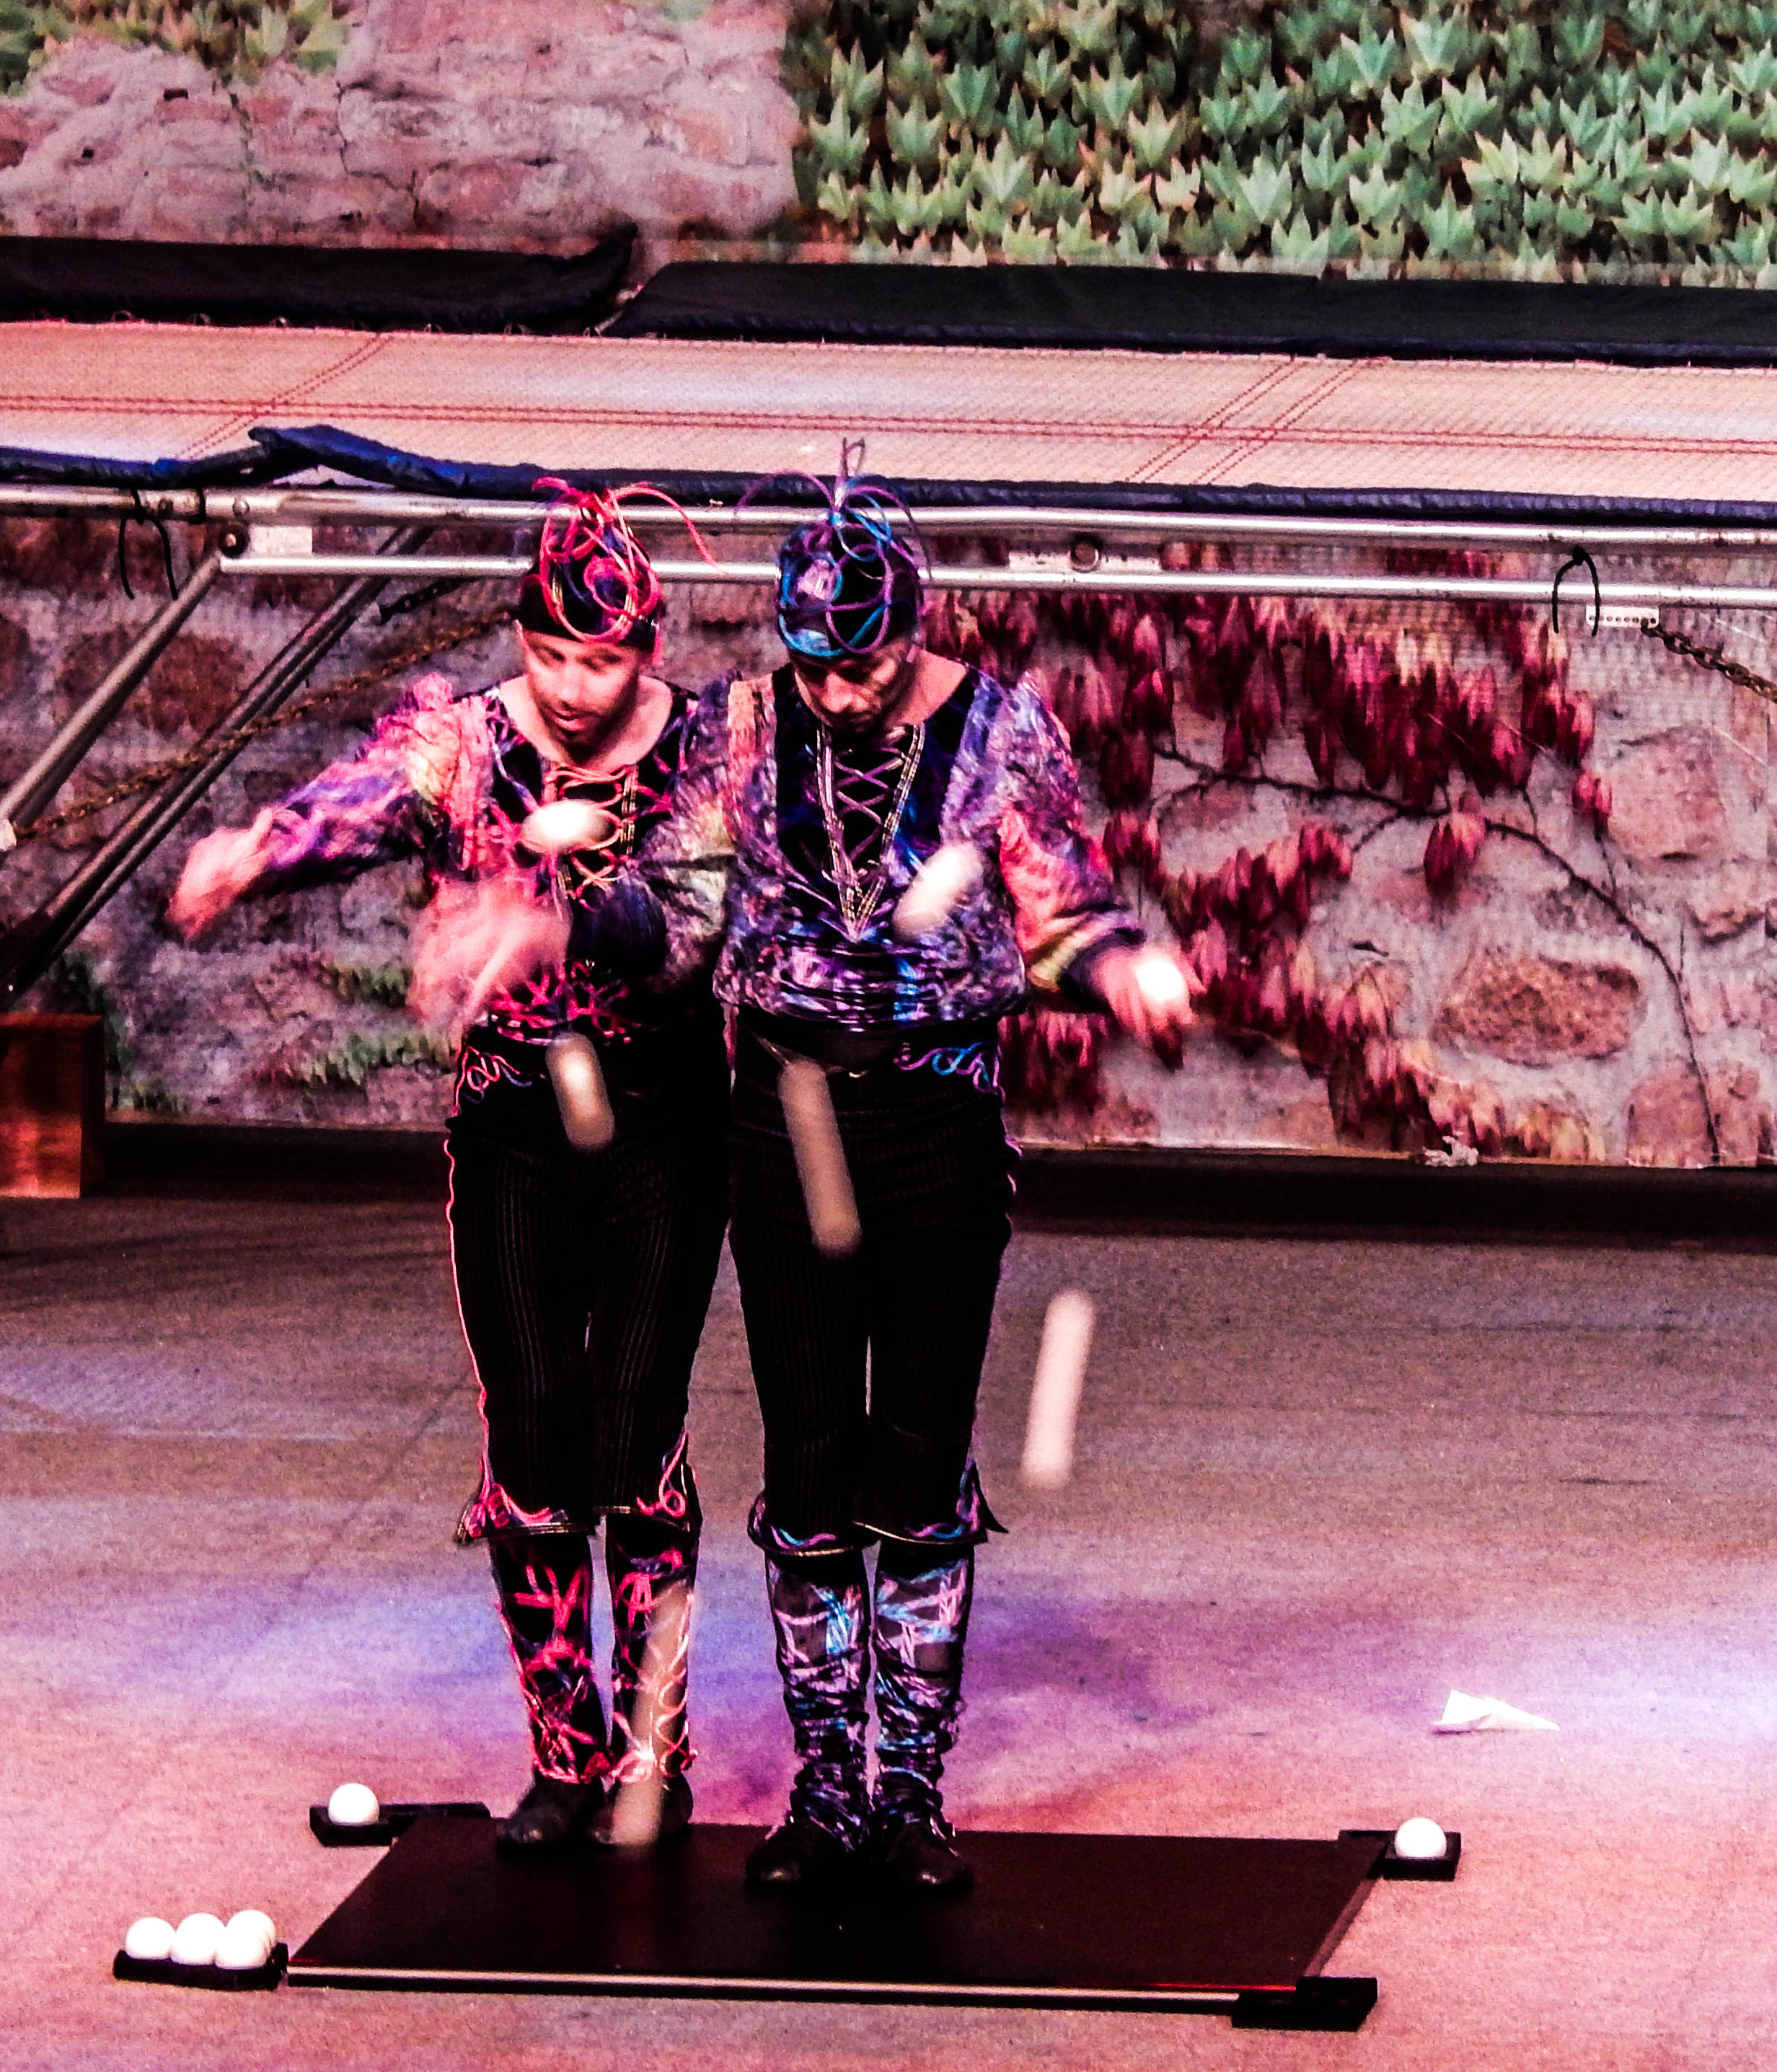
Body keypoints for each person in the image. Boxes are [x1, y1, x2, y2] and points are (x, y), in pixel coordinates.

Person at [168, 485, 737, 1853]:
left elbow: (689, 926)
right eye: (550, 655)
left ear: (647, 647)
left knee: (633, 1426)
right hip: (516, 1121)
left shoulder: (708, 750)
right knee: (532, 1428)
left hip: (662, 1118)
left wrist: (545, 927)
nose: (575, 688)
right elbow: (358, 802)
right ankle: (566, 1754)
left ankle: (653, 1753)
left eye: (602, 660)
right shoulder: (467, 744)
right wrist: (257, 849)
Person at [718, 486, 1192, 1895]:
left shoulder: (1001, 731)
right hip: (787, 1117)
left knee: (919, 1454)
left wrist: (1120, 966)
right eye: (813, 667)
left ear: (912, 629)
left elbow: (1062, 903)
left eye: (861, 665)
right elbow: (674, 904)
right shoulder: (743, 728)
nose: (836, 694)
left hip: (933, 1113)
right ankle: (825, 1786)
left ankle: (911, 1790)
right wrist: (553, 918)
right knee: (810, 1456)